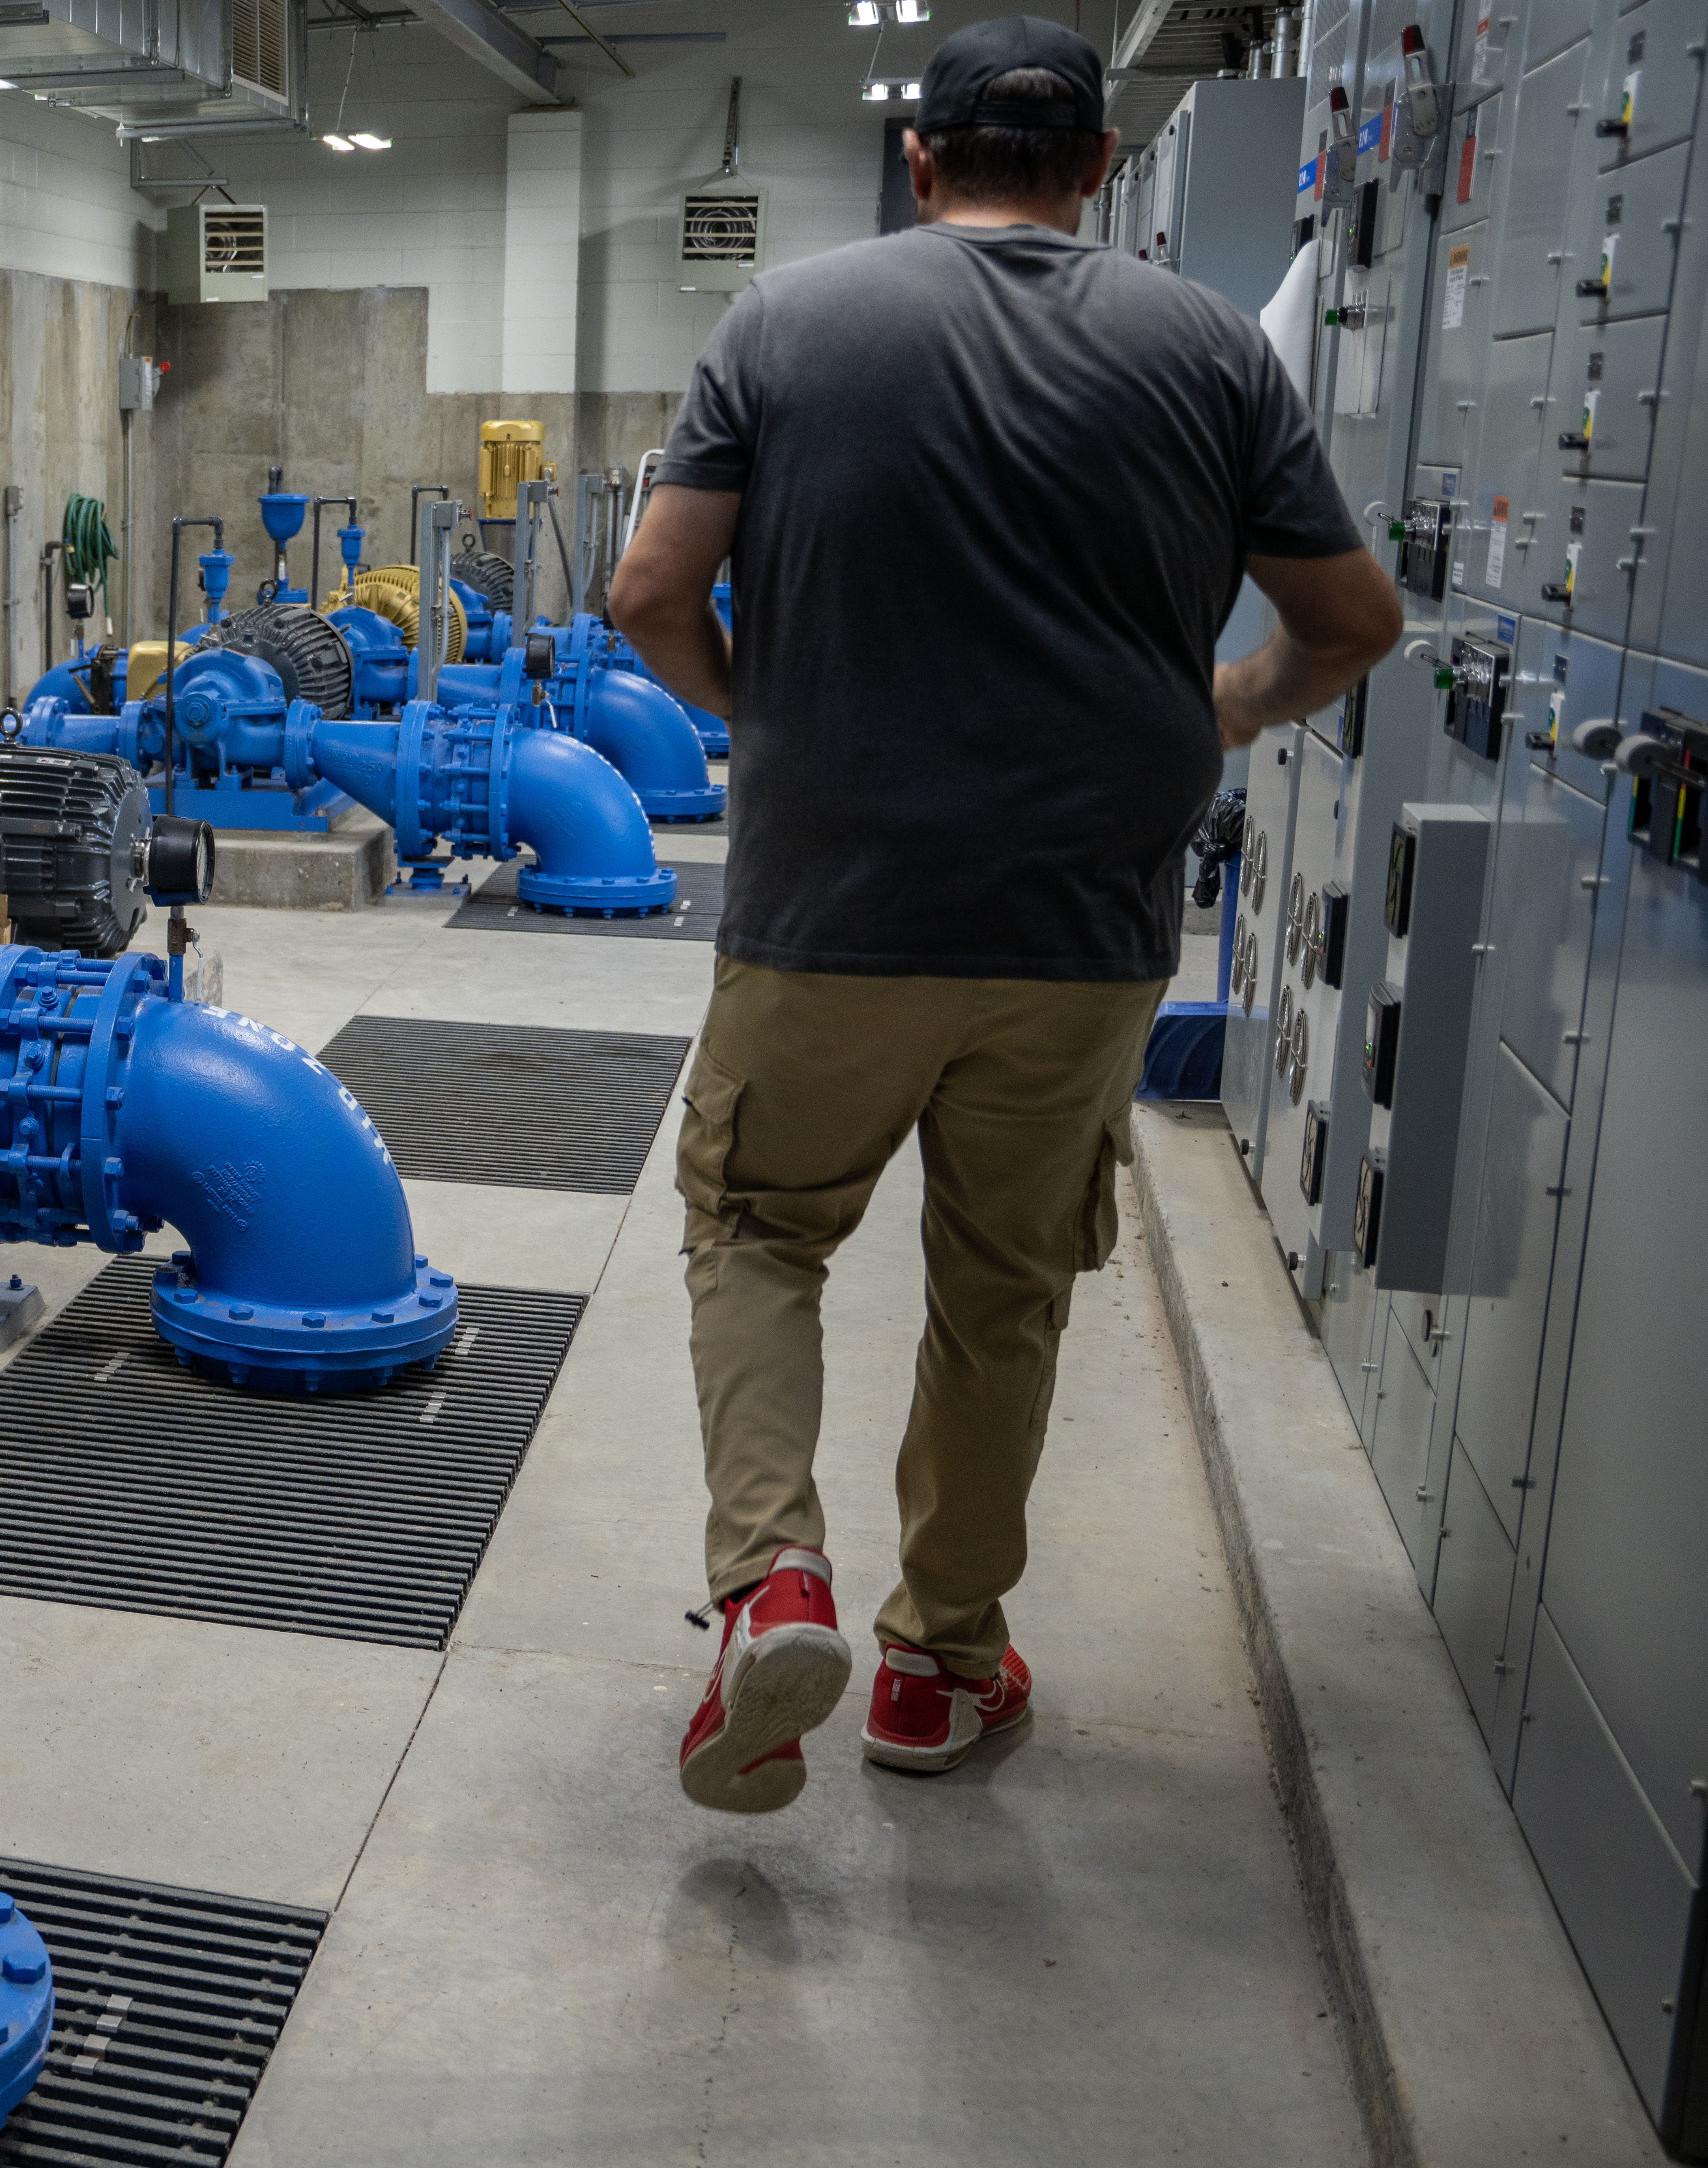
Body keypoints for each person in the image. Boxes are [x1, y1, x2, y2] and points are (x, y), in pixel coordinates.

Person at [606, 14, 1404, 1813]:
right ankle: (938, 1666)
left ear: (921, 157)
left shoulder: (789, 323)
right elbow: (1355, 625)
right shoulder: (1207, 348)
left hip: (831, 905)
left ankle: (774, 1585)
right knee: (1004, 1291)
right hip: (1083, 926)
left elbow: (651, 587)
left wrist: (762, 708)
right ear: (1102, 168)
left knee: (756, 1229)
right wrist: (1223, 706)